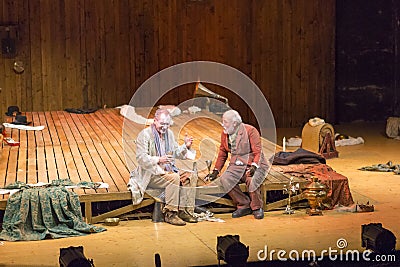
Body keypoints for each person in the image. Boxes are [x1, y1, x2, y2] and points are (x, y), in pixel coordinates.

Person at [128, 109, 197, 226]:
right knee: (175, 178)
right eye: (161, 124)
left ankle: (184, 210)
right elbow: (141, 158)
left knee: (190, 176)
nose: (164, 127)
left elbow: (175, 152)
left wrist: (185, 146)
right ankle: (170, 213)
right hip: (151, 174)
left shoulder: (169, 134)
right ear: (155, 121)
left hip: (167, 170)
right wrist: (158, 159)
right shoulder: (145, 135)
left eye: (166, 124)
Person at [206, 110, 269, 219]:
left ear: (234, 123)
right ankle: (243, 204)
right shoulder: (225, 133)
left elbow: (257, 152)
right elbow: (222, 152)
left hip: (253, 165)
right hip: (237, 166)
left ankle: (257, 207)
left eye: (225, 122)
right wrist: (216, 171)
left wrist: (254, 166)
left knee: (251, 180)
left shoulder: (250, 131)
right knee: (225, 179)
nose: (223, 124)